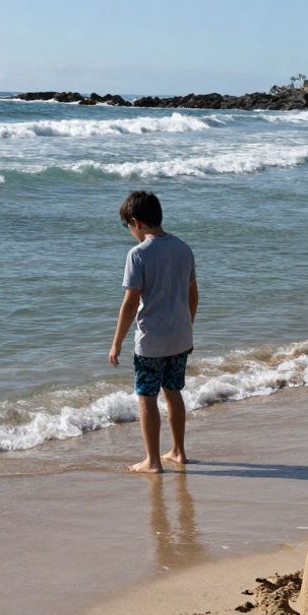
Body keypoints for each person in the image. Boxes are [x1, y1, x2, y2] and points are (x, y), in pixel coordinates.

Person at [108, 191, 199, 474]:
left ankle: (153, 461)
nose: (130, 233)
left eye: (127, 227)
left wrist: (116, 343)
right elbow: (193, 293)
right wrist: (188, 327)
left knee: (146, 396)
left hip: (151, 341)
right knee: (173, 392)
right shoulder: (183, 248)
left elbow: (131, 301)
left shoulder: (138, 254)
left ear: (136, 222)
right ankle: (179, 451)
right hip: (180, 337)